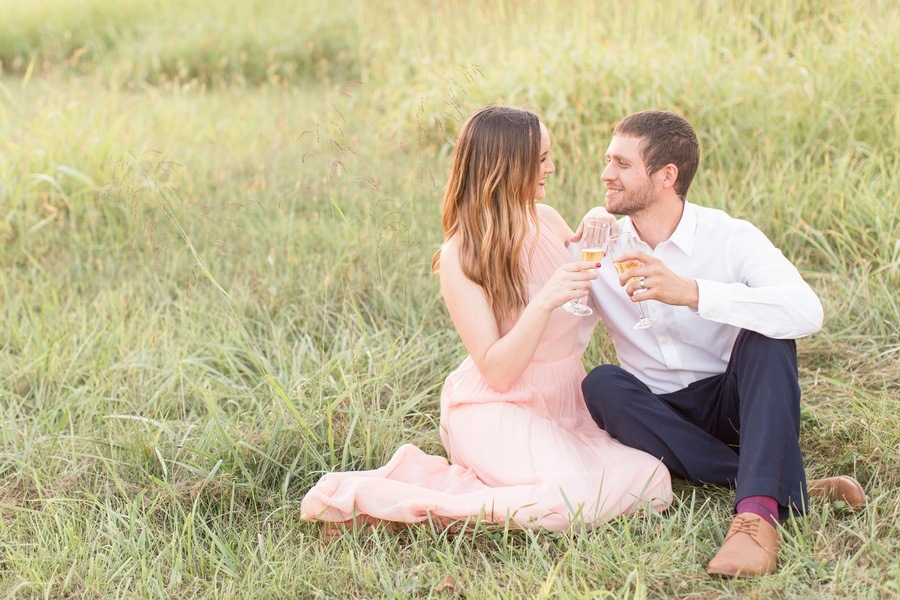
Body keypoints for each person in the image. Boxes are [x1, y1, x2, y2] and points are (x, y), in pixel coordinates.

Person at [300, 105, 672, 532]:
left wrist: (599, 224)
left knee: (652, 479)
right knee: (572, 497)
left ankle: (496, 491)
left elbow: (584, 304)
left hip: (564, 400)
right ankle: (405, 506)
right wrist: (543, 302)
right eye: (541, 159)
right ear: (507, 168)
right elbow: (497, 371)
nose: (551, 167)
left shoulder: (548, 221)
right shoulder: (462, 256)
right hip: (495, 407)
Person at [577, 109, 866, 576]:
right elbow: (565, 336)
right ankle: (787, 483)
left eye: (622, 164)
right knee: (602, 384)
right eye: (609, 160)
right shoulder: (598, 240)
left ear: (667, 175)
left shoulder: (731, 238)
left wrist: (694, 293)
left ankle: (755, 514)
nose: (606, 174)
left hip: (736, 407)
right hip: (658, 416)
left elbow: (807, 311)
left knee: (768, 335)